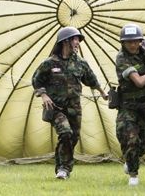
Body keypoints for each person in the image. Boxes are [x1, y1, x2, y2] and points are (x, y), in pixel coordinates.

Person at [32, 27, 108, 180]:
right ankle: (62, 168)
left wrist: (102, 92)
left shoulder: (80, 63)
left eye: (78, 40)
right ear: (65, 42)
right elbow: (36, 80)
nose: (77, 43)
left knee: (73, 137)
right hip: (56, 108)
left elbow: (91, 79)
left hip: (75, 107)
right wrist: (44, 95)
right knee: (65, 132)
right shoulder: (49, 63)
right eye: (74, 39)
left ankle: (65, 167)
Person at [115, 24, 145, 186]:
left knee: (143, 146)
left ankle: (131, 160)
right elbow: (140, 82)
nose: (132, 44)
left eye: (135, 41)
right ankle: (133, 176)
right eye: (128, 42)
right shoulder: (122, 59)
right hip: (128, 105)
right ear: (123, 43)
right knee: (131, 138)